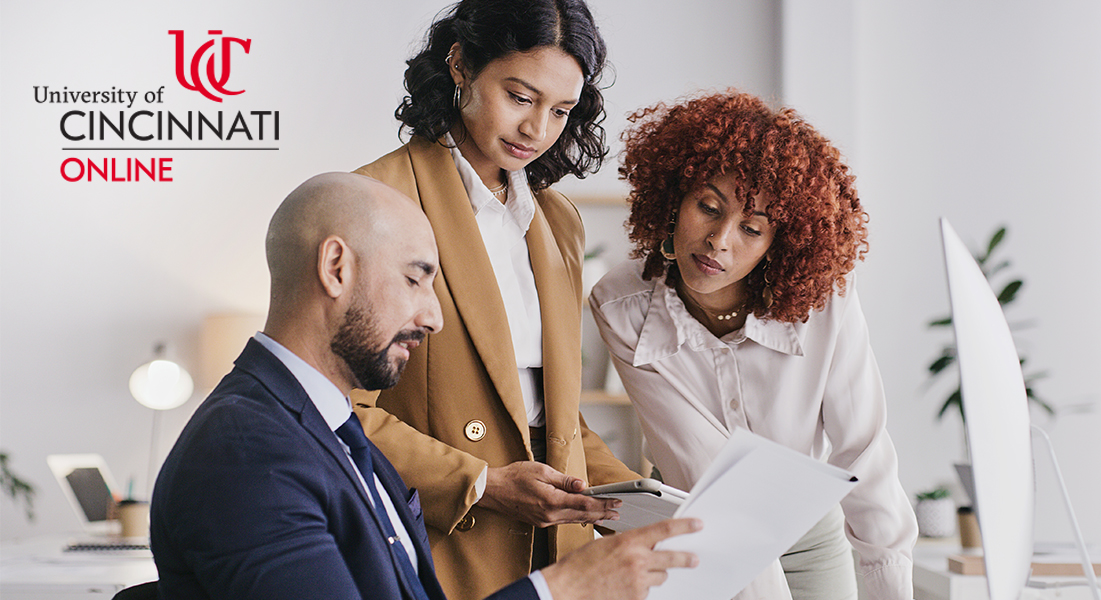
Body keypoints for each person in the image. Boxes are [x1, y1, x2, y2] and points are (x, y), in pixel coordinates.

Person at [150, 172, 700, 600]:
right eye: (415, 279)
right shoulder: (247, 451)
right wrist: (563, 588)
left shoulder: (331, 430)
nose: (435, 318)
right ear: (336, 267)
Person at [351, 2, 640, 598]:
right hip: (441, 540)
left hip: (555, 548)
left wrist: (644, 501)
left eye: (561, 110)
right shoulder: (376, 200)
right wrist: (481, 481)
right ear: (460, 64)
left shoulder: (558, 221)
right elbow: (338, 411)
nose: (537, 129)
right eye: (520, 97)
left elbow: (552, 418)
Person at [589, 92, 919, 600]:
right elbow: (699, 468)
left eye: (751, 228)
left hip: (810, 542)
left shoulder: (824, 302)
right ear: (674, 197)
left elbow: (864, 452)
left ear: (777, 244)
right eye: (708, 207)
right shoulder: (621, 306)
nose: (720, 240)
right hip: (696, 533)